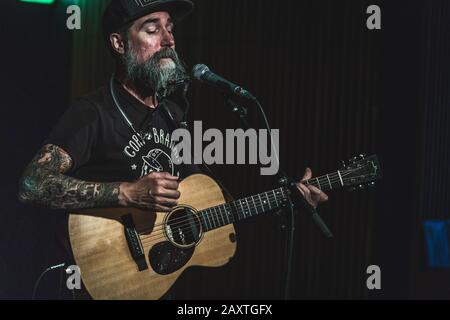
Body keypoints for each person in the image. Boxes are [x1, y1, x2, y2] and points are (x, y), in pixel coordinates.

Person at [18, 0, 328, 298]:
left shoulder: (173, 115)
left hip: (154, 286)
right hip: (98, 284)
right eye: (152, 30)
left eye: (170, 28)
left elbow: (206, 205)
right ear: (119, 43)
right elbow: (33, 184)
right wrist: (126, 192)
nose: (168, 40)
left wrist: (287, 199)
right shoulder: (93, 113)